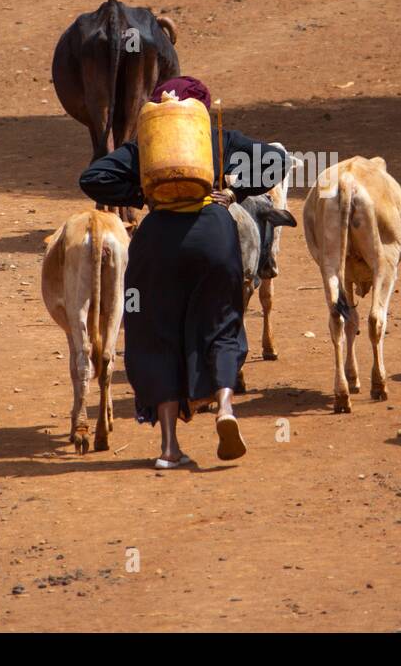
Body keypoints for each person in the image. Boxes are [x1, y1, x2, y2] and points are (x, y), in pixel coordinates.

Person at [79, 76, 288, 469]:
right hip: (213, 233)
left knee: (155, 334)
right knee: (223, 323)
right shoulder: (217, 137)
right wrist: (236, 191)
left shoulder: (148, 145)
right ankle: (225, 406)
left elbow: (92, 178)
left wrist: (145, 192)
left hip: (157, 240)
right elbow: (278, 161)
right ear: (201, 111)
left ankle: (169, 448)